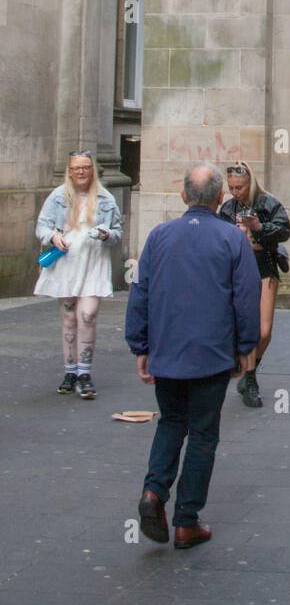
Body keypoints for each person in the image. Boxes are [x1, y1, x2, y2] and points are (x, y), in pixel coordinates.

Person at [126, 163, 260, 549]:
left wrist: (141, 345)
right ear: (221, 197)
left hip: (167, 348)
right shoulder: (232, 239)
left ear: (183, 196)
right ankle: (186, 520)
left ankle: (154, 492)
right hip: (213, 351)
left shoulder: (159, 236)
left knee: (171, 422)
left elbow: (141, 291)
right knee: (202, 434)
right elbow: (245, 297)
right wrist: (245, 347)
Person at [34, 150, 123, 399]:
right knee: (70, 319)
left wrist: (105, 234)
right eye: (76, 168)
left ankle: (85, 373)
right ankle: (70, 371)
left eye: (85, 167)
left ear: (92, 169)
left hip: (94, 264)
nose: (81, 172)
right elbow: (42, 226)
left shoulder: (105, 198)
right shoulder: (58, 197)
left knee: (88, 315)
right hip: (67, 265)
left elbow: (117, 232)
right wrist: (53, 236)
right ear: (70, 170)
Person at [218, 160, 290, 409]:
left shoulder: (268, 203)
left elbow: (284, 231)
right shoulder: (228, 208)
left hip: (264, 267)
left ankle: (251, 367)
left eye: (240, 187)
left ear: (251, 183)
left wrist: (258, 227)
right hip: (237, 270)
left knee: (264, 331)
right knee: (246, 327)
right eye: (232, 187)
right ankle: (249, 379)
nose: (236, 192)